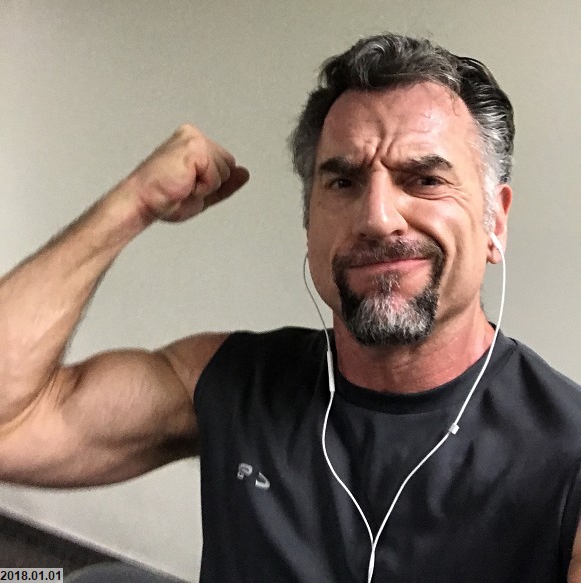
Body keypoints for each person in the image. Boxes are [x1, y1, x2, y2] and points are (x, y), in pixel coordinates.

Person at [0, 33, 579, 582]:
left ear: (495, 222)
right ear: (308, 223)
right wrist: (132, 204)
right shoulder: (230, 380)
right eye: (343, 183)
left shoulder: (568, 451)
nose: (377, 218)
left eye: (425, 180)